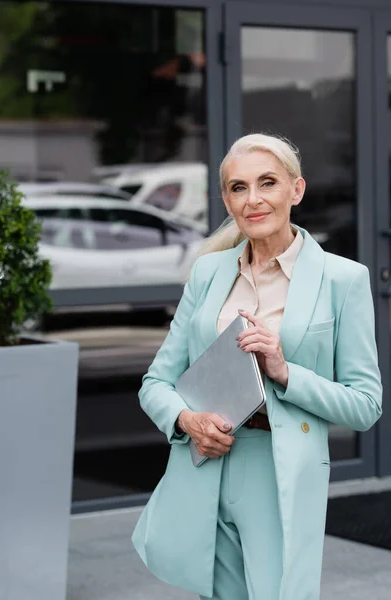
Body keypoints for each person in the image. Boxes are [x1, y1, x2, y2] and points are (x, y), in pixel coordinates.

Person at [132, 133, 382, 600]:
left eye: (267, 183)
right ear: (226, 199)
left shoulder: (343, 279)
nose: (253, 200)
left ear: (296, 189)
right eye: (239, 188)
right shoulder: (208, 272)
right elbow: (155, 382)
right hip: (205, 461)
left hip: (279, 468)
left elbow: (366, 405)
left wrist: (286, 371)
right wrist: (187, 420)